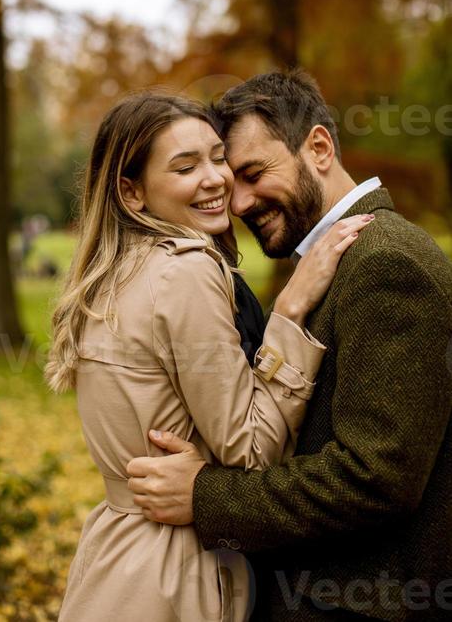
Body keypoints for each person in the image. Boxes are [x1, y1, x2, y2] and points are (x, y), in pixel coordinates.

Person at [126, 71, 452, 622]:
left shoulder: (386, 263)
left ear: (319, 147)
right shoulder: (339, 260)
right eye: (235, 185)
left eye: (254, 174)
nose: (242, 202)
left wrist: (205, 496)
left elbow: (376, 480)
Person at [46, 91, 373, 622]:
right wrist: (287, 315)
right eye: (184, 166)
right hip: (177, 572)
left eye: (218, 157)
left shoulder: (111, 275)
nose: (217, 179)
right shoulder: (186, 271)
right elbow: (249, 451)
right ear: (132, 193)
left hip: (114, 558)